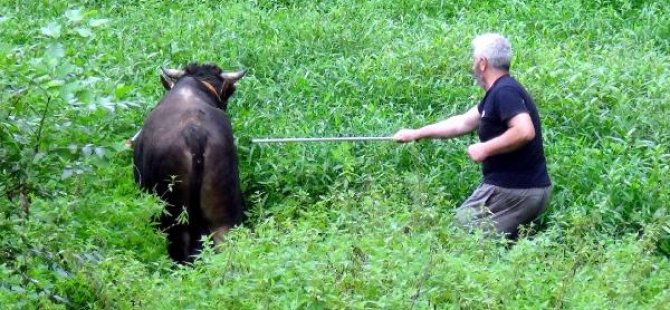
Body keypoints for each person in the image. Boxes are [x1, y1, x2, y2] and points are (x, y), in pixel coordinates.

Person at [393, 33, 551, 239]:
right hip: (527, 190)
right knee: (493, 243)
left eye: (474, 58)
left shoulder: (505, 92)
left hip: (514, 190)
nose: (472, 64)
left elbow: (524, 130)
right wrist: (416, 133)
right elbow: (462, 122)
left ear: (482, 63)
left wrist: (485, 148)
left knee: (461, 233)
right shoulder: (499, 92)